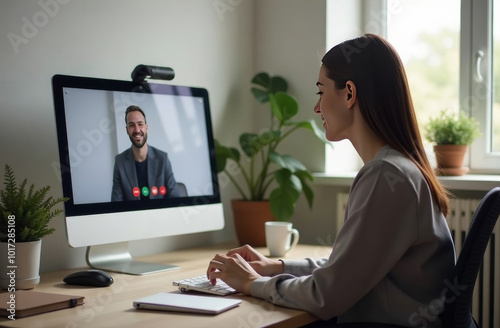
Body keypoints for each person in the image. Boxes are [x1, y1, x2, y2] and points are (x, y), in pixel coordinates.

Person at [206, 34, 456, 326]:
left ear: (349, 93)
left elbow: (327, 295)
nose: (316, 108)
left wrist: (251, 283)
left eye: (320, 92)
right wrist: (275, 267)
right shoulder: (399, 168)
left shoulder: (386, 175)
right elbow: (349, 268)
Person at [111, 105, 180, 201]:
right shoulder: (120, 162)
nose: (137, 130)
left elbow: (175, 199)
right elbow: (116, 205)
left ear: (146, 128)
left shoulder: (162, 158)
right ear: (127, 130)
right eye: (131, 125)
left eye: (140, 124)